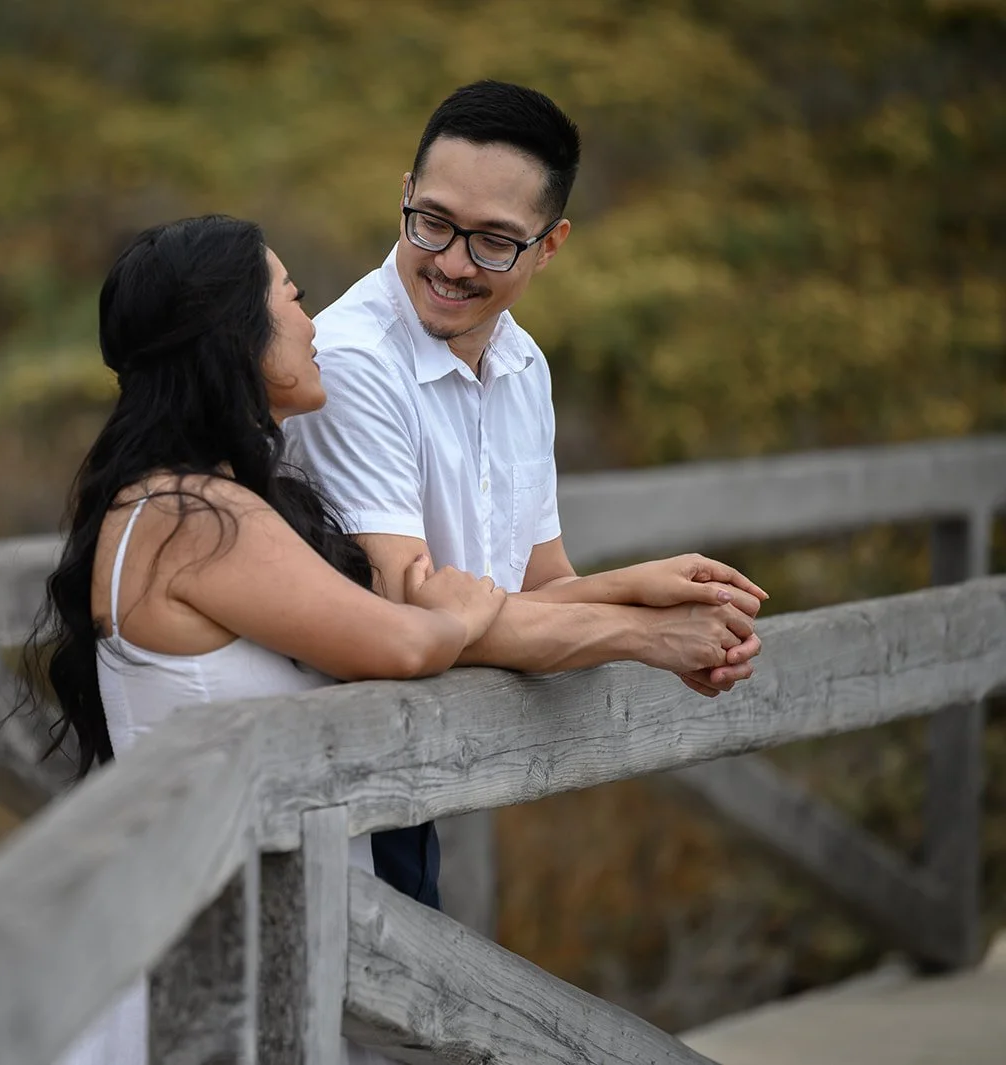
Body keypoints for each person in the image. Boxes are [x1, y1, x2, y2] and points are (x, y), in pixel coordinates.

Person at [26, 214, 506, 1065]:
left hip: (238, 946)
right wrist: (462, 611)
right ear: (233, 333)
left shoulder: (181, 501)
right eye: (293, 297)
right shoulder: (191, 516)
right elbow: (398, 645)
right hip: (212, 970)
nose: (313, 322)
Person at [285, 80, 770, 913]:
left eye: (495, 242)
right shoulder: (352, 361)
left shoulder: (524, 365)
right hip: (328, 774)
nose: (450, 261)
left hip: (420, 772)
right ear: (403, 195)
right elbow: (411, 613)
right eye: (432, 220)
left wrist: (649, 589)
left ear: (551, 246)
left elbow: (534, 592)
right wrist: (642, 632)